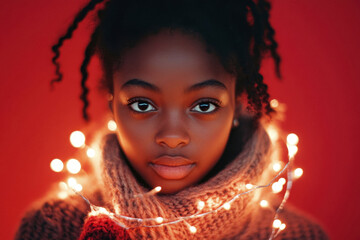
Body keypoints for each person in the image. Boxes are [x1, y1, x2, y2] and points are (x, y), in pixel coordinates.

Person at [15, 0, 328, 239]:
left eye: (204, 105)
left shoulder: (295, 234)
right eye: (142, 104)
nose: (172, 135)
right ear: (113, 105)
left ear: (235, 106)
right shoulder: (55, 225)